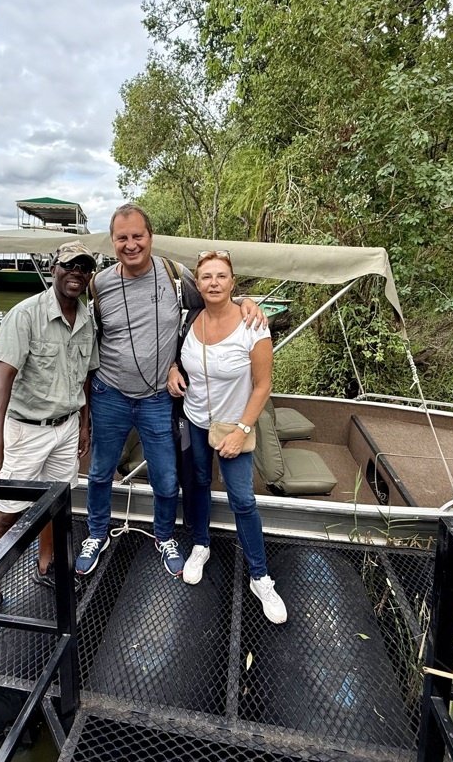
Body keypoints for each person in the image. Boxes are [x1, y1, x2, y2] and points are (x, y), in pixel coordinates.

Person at [76, 204, 266, 578]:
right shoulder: (98, 285)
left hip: (156, 399)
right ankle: (96, 532)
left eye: (137, 236)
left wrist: (247, 302)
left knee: (166, 478)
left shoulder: (174, 275)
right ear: (112, 242)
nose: (131, 245)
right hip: (109, 393)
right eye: (122, 238)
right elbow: (86, 335)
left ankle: (164, 535)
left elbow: (214, 302)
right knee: (99, 472)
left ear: (150, 237)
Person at [0, 240, 99, 643]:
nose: (76, 272)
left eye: (84, 268)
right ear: (53, 268)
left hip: (67, 425)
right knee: (6, 513)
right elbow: (0, 382)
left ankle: (46, 566)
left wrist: (85, 424)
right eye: (69, 265)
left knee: (56, 504)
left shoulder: (87, 318)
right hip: (25, 430)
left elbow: (87, 377)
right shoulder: (25, 315)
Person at [169, 249, 287, 624]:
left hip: (234, 426)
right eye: (206, 277)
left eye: (221, 276)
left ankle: (260, 576)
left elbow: (263, 384)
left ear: (233, 282)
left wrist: (242, 430)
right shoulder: (189, 320)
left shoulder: (253, 325)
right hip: (194, 421)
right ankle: (200, 545)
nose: (214, 283)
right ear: (197, 284)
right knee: (198, 484)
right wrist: (173, 369)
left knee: (242, 499)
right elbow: (174, 355)